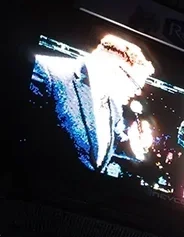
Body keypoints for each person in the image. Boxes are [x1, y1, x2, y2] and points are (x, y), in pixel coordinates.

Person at [30, 34, 156, 171]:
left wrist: (135, 145)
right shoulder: (48, 72)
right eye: (136, 85)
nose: (137, 93)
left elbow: (106, 145)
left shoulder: (114, 107)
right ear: (116, 69)